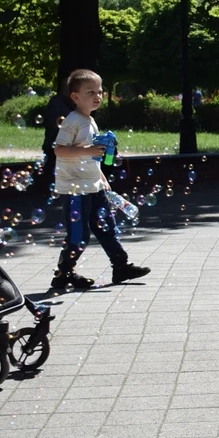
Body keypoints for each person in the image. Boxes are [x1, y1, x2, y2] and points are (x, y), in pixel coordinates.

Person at [50, 69, 150, 290]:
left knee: (107, 227)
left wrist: (102, 178)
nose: (97, 96)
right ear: (75, 96)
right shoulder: (72, 121)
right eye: (90, 92)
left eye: (100, 92)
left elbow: (91, 158)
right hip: (75, 189)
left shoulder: (90, 120)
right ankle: (63, 274)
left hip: (93, 185)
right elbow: (59, 150)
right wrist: (89, 149)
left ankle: (121, 267)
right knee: (79, 235)